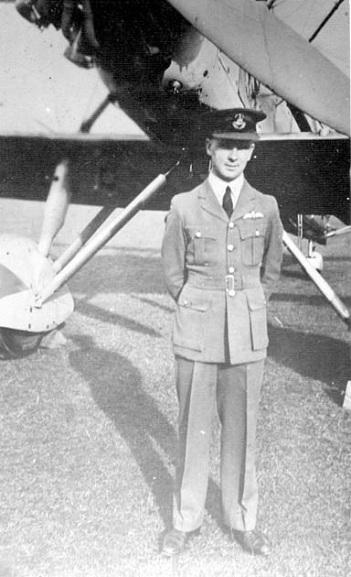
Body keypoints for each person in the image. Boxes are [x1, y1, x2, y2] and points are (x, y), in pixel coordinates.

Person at [160, 108, 284, 557]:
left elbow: (270, 272)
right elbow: (173, 272)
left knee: (243, 431)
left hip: (246, 336)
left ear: (252, 152)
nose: (234, 154)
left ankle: (242, 520)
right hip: (197, 331)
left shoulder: (265, 206)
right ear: (209, 147)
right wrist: (200, 303)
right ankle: (185, 520)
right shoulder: (184, 205)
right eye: (226, 144)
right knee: (192, 429)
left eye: (244, 146)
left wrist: (247, 305)